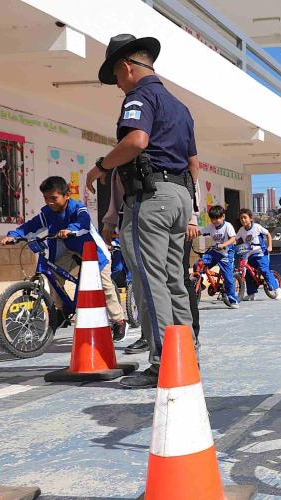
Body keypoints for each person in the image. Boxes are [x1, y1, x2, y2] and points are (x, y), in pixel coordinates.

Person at [86, 34, 196, 388]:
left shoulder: (140, 96)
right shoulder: (180, 106)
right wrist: (188, 206)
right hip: (179, 197)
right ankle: (186, 354)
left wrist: (101, 166)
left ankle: (163, 361)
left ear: (127, 67)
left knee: (150, 282)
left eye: (117, 77)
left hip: (151, 199)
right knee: (174, 280)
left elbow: (136, 141)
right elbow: (194, 163)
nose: (119, 85)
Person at [2, 176, 128, 340]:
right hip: (70, 250)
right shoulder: (47, 213)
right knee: (53, 274)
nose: (49, 202)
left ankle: (119, 321)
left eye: (53, 198)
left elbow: (83, 222)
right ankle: (64, 310)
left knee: (104, 285)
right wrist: (14, 235)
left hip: (94, 251)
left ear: (67, 195)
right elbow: (31, 226)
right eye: (46, 198)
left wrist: (70, 229)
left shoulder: (78, 208)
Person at [101, 166, 202, 354]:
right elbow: (192, 166)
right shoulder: (172, 143)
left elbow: (192, 170)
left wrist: (100, 166)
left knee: (155, 283)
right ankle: (185, 347)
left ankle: (165, 357)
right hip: (174, 206)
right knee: (170, 281)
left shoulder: (140, 141)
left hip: (155, 205)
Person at [235, 208, 281, 301]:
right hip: (250, 254)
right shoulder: (241, 230)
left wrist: (270, 246)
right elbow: (235, 240)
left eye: (245, 217)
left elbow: (268, 234)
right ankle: (251, 294)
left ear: (251, 218)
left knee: (263, 269)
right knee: (248, 273)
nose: (243, 220)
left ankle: (278, 289)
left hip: (261, 253)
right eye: (241, 218)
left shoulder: (257, 227)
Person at [201, 205, 239, 308]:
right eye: (213, 218)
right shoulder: (210, 227)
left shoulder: (228, 226)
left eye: (217, 218)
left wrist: (223, 245)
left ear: (223, 216)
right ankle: (200, 283)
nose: (215, 221)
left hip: (225, 253)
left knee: (228, 277)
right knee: (199, 265)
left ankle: (233, 300)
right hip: (214, 252)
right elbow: (200, 232)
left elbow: (233, 239)